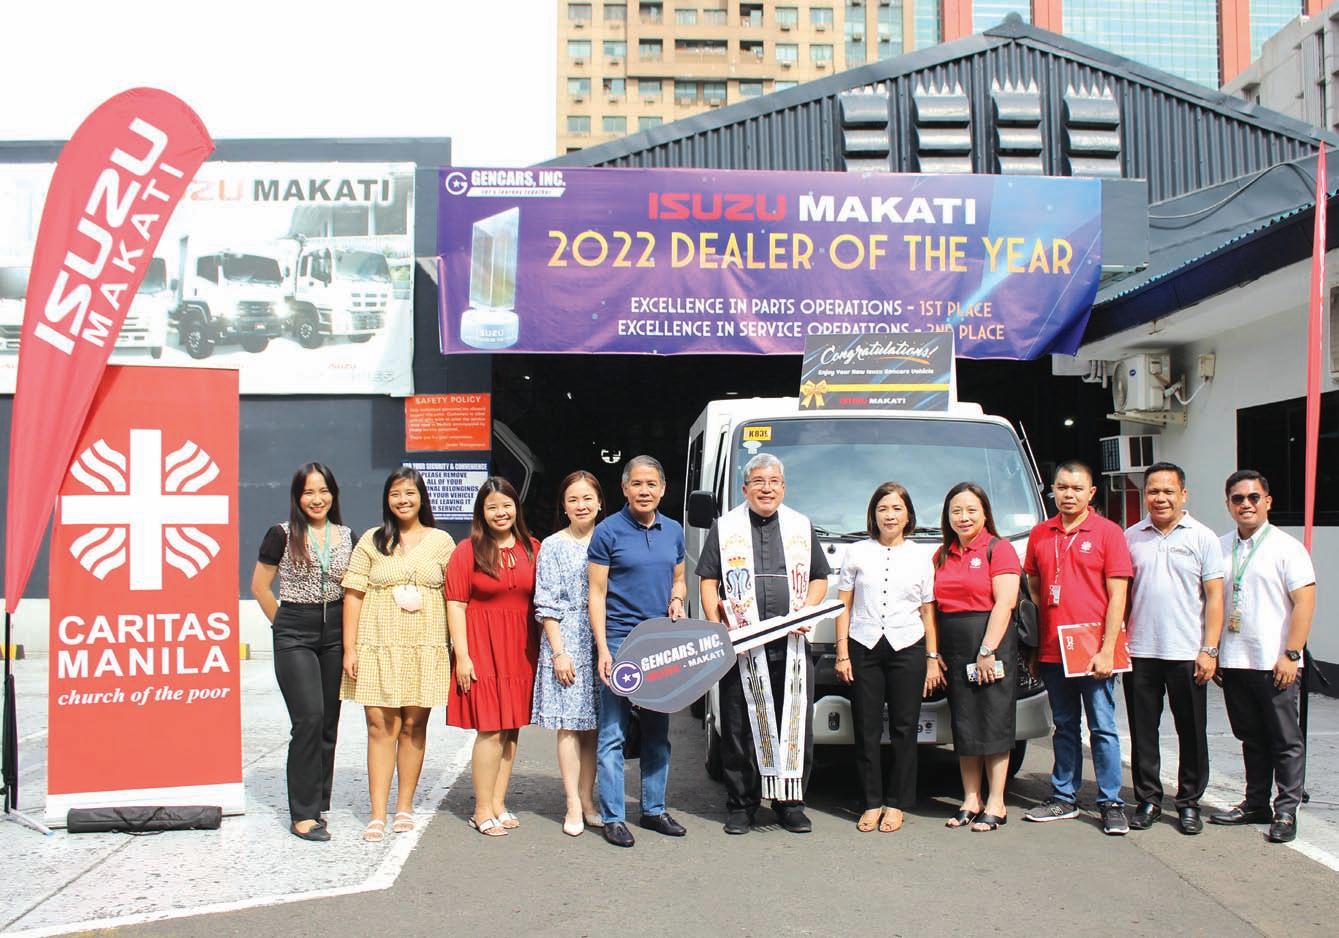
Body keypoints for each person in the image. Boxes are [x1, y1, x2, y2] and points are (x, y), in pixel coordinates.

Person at [698, 454, 831, 835]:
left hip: (791, 646)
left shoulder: (801, 526)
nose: (766, 488)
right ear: (745, 489)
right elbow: (708, 581)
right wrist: (718, 627)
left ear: (784, 488)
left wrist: (806, 610)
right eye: (758, 481)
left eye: (773, 482)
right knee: (738, 725)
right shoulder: (725, 527)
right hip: (743, 645)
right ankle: (742, 804)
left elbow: (819, 577)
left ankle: (790, 803)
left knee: (794, 724)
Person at [341, 467, 455, 842]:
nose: (403, 500)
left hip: (424, 645)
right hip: (377, 644)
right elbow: (353, 594)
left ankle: (404, 806)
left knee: (413, 726)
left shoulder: (441, 542)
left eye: (409, 493)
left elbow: (455, 598)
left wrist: (459, 649)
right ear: (387, 500)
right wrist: (350, 648)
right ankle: (377, 812)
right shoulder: (372, 540)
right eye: (395, 494)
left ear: (422, 497)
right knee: (379, 727)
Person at [1022, 460, 1132, 835]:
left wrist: (1108, 648)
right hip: (1054, 650)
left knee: (1102, 727)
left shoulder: (1108, 533)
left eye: (1076, 488)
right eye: (1062, 487)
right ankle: (1063, 797)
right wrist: (1036, 648)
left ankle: (1111, 802)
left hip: (1093, 649)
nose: (1068, 495)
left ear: (1091, 493)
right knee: (1064, 726)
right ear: (1052, 490)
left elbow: (1118, 596)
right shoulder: (1040, 533)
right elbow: (1035, 588)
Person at [1208, 470, 1316, 844]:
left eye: (1253, 497)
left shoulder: (1287, 548)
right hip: (1235, 660)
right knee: (1251, 737)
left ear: (1267, 501)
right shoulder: (1219, 547)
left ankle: (1286, 810)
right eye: (1237, 498)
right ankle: (1256, 803)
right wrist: (1214, 651)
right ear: (1228, 504)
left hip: (1275, 662)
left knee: (1285, 740)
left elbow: (1305, 603)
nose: (1246, 504)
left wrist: (1291, 654)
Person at [251, 462, 354, 842]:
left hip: (336, 631)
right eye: (308, 492)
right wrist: (283, 625)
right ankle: (303, 814)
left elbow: (354, 588)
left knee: (328, 721)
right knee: (308, 717)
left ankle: (318, 801)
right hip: (295, 630)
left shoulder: (348, 536)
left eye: (323, 491)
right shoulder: (281, 534)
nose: (317, 499)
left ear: (333, 494)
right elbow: (260, 586)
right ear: (297, 496)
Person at [589, 455, 688, 848]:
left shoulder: (674, 530)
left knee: (657, 731)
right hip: (619, 640)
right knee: (613, 732)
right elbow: (596, 593)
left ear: (662, 489)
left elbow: (678, 578)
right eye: (637, 484)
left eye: (651, 484)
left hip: (660, 642)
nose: (644, 491)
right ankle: (613, 816)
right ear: (625, 489)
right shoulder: (607, 532)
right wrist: (602, 648)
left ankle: (653, 809)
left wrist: (677, 599)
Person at [835, 481, 943, 833]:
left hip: (907, 646)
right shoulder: (856, 553)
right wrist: (842, 653)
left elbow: (927, 612)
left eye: (897, 508)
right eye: (883, 509)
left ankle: (896, 803)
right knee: (866, 727)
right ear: (873, 514)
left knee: (904, 727)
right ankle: (870, 802)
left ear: (908, 515)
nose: (890, 515)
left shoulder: (921, 556)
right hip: (863, 645)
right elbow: (843, 606)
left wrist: (931, 658)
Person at [1123, 462, 1225, 835]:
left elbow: (1215, 598)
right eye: (1153, 491)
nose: (1160, 498)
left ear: (1183, 494)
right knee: (1143, 731)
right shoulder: (1131, 537)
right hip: (1140, 651)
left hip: (1187, 653)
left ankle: (1188, 803)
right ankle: (1148, 800)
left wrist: (1209, 649)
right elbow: (1123, 595)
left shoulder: (1203, 537)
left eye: (1168, 491)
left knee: (1192, 731)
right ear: (1144, 495)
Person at [447, 477, 541, 837]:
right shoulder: (467, 551)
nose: (501, 513)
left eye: (506, 505)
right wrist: (462, 655)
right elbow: (456, 604)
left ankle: (499, 803)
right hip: (481, 646)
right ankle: (481, 809)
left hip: (521, 649)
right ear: (481, 513)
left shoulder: (532, 548)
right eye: (492, 507)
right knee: (490, 728)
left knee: (511, 727)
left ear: (516, 508)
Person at [932, 482, 1021, 833]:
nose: (963, 517)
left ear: (985, 513)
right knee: (965, 723)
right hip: (954, 645)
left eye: (971, 510)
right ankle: (971, 798)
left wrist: (987, 649)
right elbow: (933, 607)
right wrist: (935, 652)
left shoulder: (999, 549)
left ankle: (997, 802)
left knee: (994, 720)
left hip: (990, 642)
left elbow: (1006, 602)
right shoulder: (941, 554)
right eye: (956, 511)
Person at [532, 471, 605, 837]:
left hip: (601, 638)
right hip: (567, 638)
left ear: (600, 503)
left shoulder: (609, 539)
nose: (581, 505)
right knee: (569, 725)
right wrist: (559, 652)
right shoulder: (552, 545)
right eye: (573, 499)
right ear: (563, 506)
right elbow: (546, 603)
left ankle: (588, 799)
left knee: (593, 727)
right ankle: (572, 802)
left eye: (587, 498)